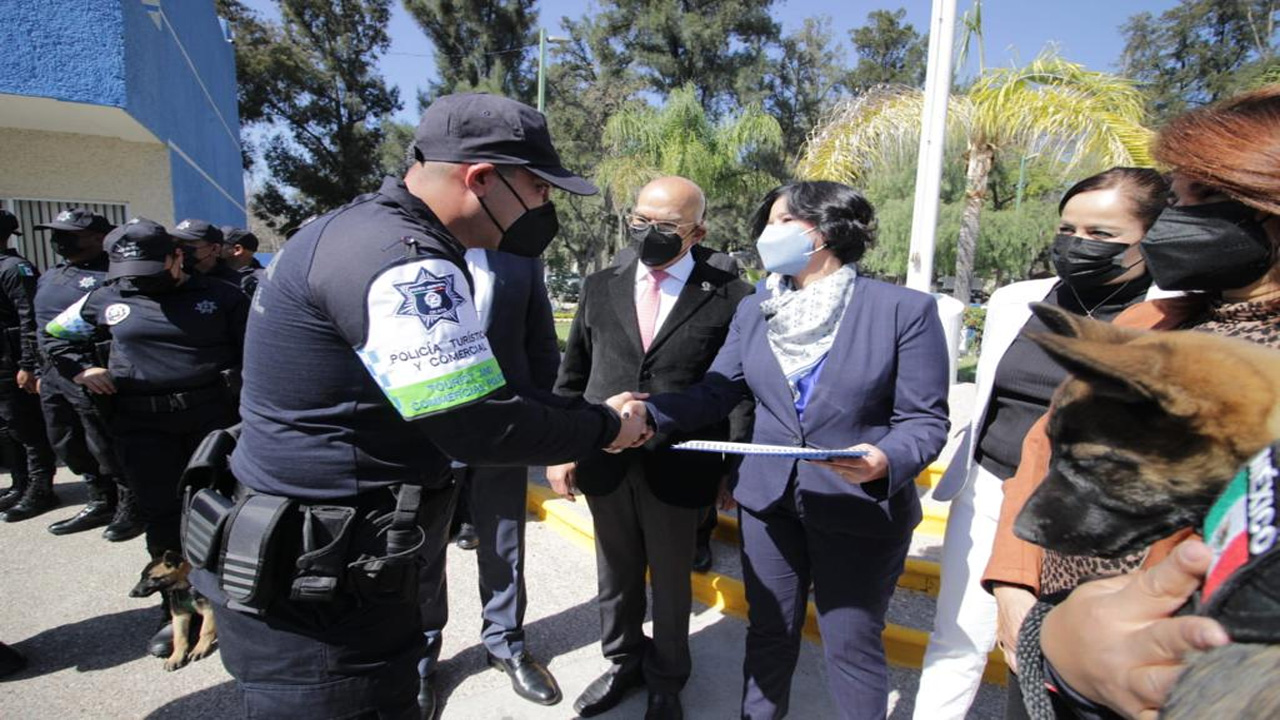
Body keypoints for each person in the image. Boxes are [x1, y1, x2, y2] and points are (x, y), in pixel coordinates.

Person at [190, 93, 648, 720]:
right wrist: (605, 426)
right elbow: (481, 427)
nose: (546, 204)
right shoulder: (405, 265)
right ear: (481, 179)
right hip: (326, 596)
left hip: (324, 562)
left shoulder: (351, 228)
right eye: (539, 187)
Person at [985, 84, 1280, 713]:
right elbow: (1045, 448)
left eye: (1198, 197)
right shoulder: (1159, 321)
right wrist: (1017, 587)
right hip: (1053, 646)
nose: (1172, 218)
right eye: (1173, 196)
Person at [623, 181, 951, 720]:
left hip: (858, 504)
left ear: (822, 233)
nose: (765, 235)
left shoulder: (903, 310)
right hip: (769, 503)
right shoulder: (757, 307)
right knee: (769, 632)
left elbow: (924, 420)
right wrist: (651, 414)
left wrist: (885, 458)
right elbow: (720, 387)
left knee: (852, 644)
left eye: (779, 222)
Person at [915, 168, 1169, 718]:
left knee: (1050, 655)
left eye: (1102, 235)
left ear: (1152, 237)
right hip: (988, 489)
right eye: (1068, 228)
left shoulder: (1172, 316)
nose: (1078, 244)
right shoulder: (1016, 301)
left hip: (1082, 515)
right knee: (957, 638)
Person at [549, 176, 752, 720]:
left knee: (669, 577)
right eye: (640, 220)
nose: (648, 233)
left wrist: (733, 467)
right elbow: (573, 378)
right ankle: (622, 661)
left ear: (698, 231)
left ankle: (667, 676)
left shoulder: (731, 296)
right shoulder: (600, 285)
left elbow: (736, 391)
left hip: (682, 463)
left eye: (666, 226)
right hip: (603, 459)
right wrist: (561, 449)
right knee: (614, 572)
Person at [45, 217, 248, 655]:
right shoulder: (106, 298)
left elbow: (258, 355)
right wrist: (82, 369)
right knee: (161, 518)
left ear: (178, 257)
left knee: (223, 513)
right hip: (142, 427)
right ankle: (175, 611)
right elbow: (55, 338)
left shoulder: (222, 296)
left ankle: (229, 609)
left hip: (211, 422)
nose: (140, 283)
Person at [418, 247, 566, 707]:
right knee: (421, 551)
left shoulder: (517, 260)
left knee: (504, 543)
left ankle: (506, 643)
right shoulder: (409, 250)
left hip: (503, 427)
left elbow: (540, 343)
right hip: (426, 429)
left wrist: (548, 423)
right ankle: (420, 660)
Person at [32, 208, 142, 540]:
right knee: (65, 440)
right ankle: (100, 498)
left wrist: (90, 367)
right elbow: (38, 326)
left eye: (68, 234)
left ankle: (130, 505)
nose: (58, 240)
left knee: (104, 443)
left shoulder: (112, 274)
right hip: (55, 371)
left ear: (97, 237)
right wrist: (38, 369)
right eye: (56, 233)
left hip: (92, 370)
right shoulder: (54, 272)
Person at [0, 209, 58, 522]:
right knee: (8, 428)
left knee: (26, 428)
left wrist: (28, 363)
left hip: (13, 362)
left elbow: (29, 318)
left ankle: (40, 488)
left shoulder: (15, 268)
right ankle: (19, 482)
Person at [170, 218, 244, 288]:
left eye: (189, 242)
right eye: (177, 242)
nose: (180, 248)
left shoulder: (238, 283)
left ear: (215, 249)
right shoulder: (172, 280)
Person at [219, 225, 265, 296]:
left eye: (219, 244)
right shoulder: (209, 273)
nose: (213, 248)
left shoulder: (262, 280)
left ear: (237, 249)